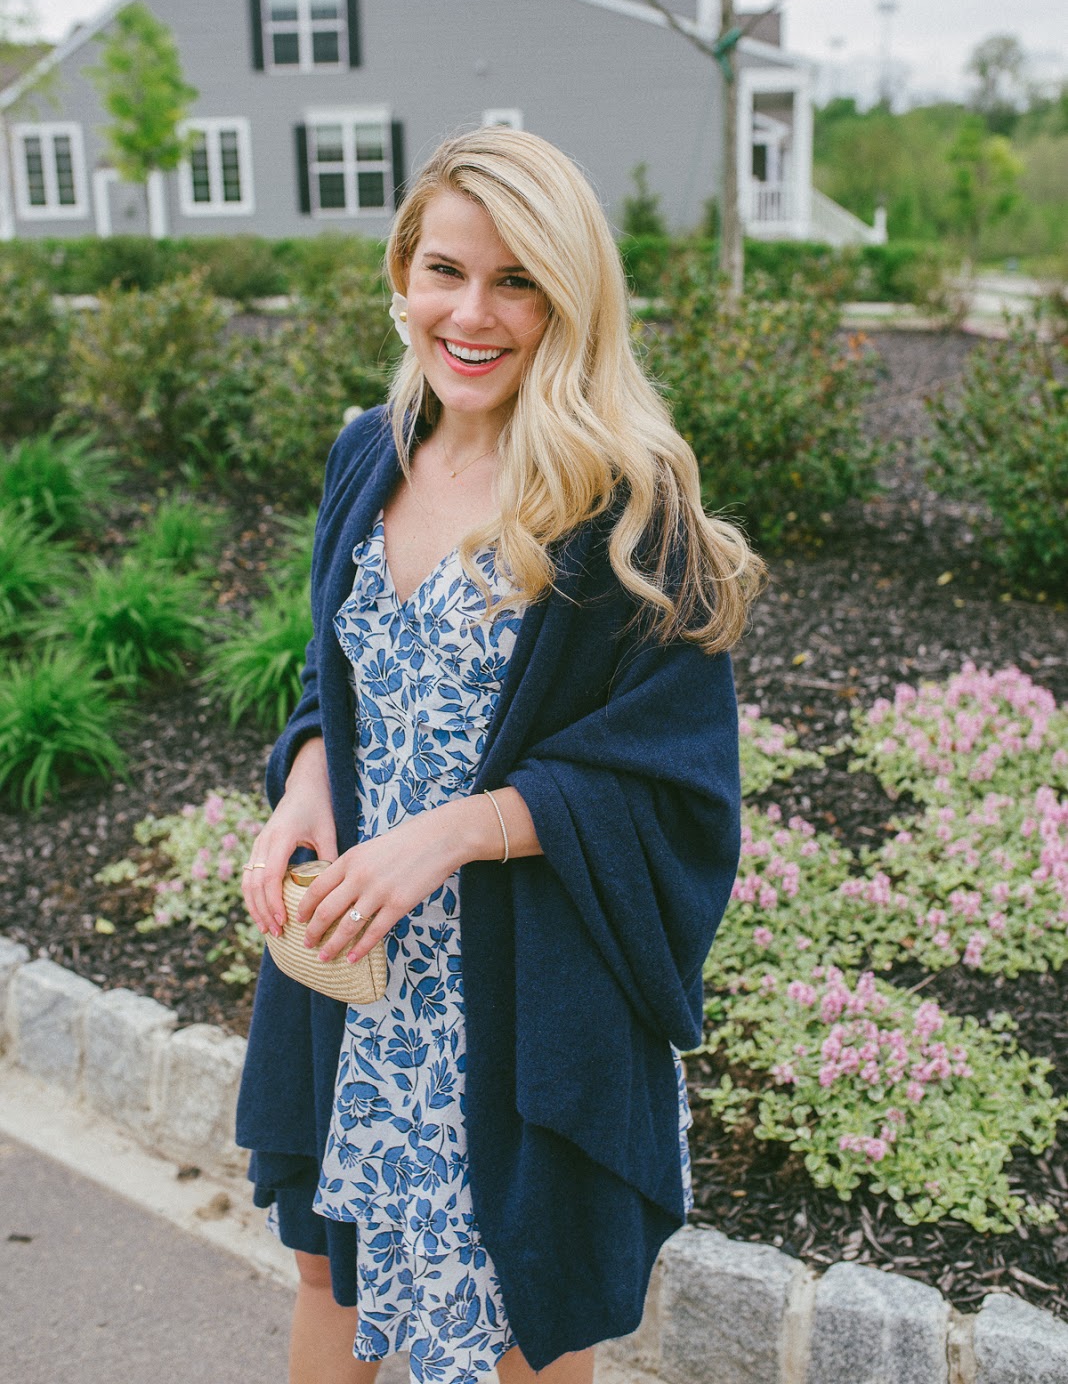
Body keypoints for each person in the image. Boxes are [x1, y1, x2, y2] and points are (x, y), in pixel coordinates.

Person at [236, 127, 764, 1384]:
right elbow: (338, 683)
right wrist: (305, 783)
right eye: (445, 271)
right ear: (402, 276)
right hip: (356, 969)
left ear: (572, 300)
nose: (472, 313)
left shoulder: (631, 516)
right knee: (328, 1266)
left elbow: (677, 788)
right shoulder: (369, 453)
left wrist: (458, 829)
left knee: (514, 1301)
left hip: (521, 1001)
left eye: (517, 280)